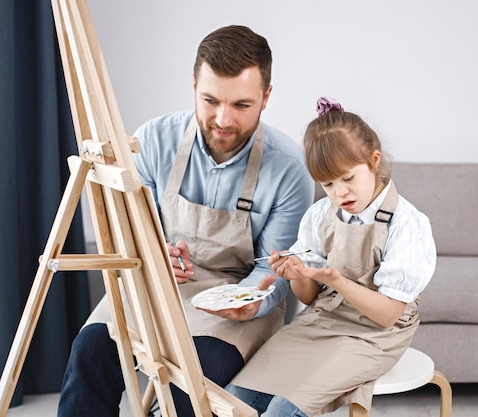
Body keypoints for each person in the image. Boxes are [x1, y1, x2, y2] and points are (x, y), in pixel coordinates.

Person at [57, 25, 315, 417]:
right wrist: (149, 251)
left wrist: (249, 302)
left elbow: (273, 270)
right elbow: (125, 229)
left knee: (192, 384)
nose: (223, 120)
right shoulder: (154, 140)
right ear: (194, 85)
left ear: (266, 97)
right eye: (210, 100)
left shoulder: (289, 169)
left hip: (237, 304)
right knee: (89, 352)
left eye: (241, 105)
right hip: (155, 282)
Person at [226, 97, 437, 417]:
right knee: (234, 399)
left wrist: (336, 280)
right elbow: (311, 299)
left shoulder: (408, 224)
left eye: (348, 178)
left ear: (374, 161)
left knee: (282, 411)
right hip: (322, 321)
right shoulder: (320, 215)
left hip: (374, 336)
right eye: (327, 184)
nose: (340, 194)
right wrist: (297, 274)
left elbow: (388, 316)